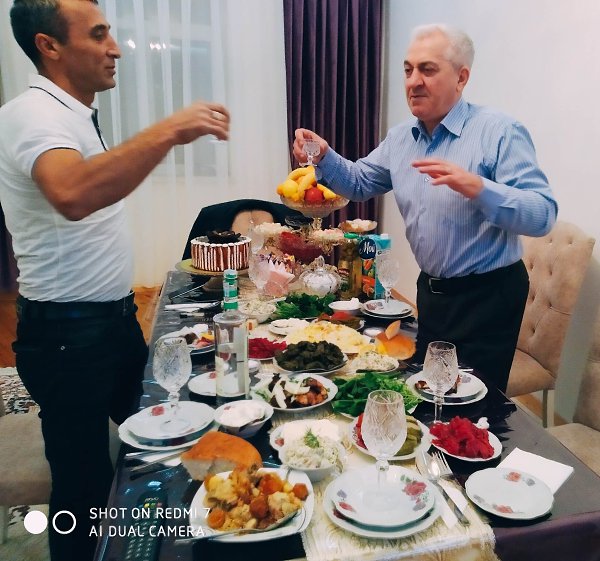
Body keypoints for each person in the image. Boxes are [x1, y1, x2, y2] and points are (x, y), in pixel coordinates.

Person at [0, 1, 229, 560]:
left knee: (160, 441)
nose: (115, 48)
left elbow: (98, 188)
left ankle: (158, 543)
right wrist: (169, 130)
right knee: (82, 486)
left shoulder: (73, 114)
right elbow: (74, 193)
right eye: (98, 34)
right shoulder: (32, 115)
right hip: (67, 338)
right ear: (49, 46)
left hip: (109, 322)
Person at [293, 23, 557, 392]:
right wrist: (325, 156)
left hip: (488, 297)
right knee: (429, 392)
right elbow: (359, 183)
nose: (413, 81)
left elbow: (543, 214)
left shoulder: (499, 131)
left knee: (473, 405)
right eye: (408, 70)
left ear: (461, 78)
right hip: (431, 293)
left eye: (428, 70)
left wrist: (479, 187)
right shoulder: (401, 138)